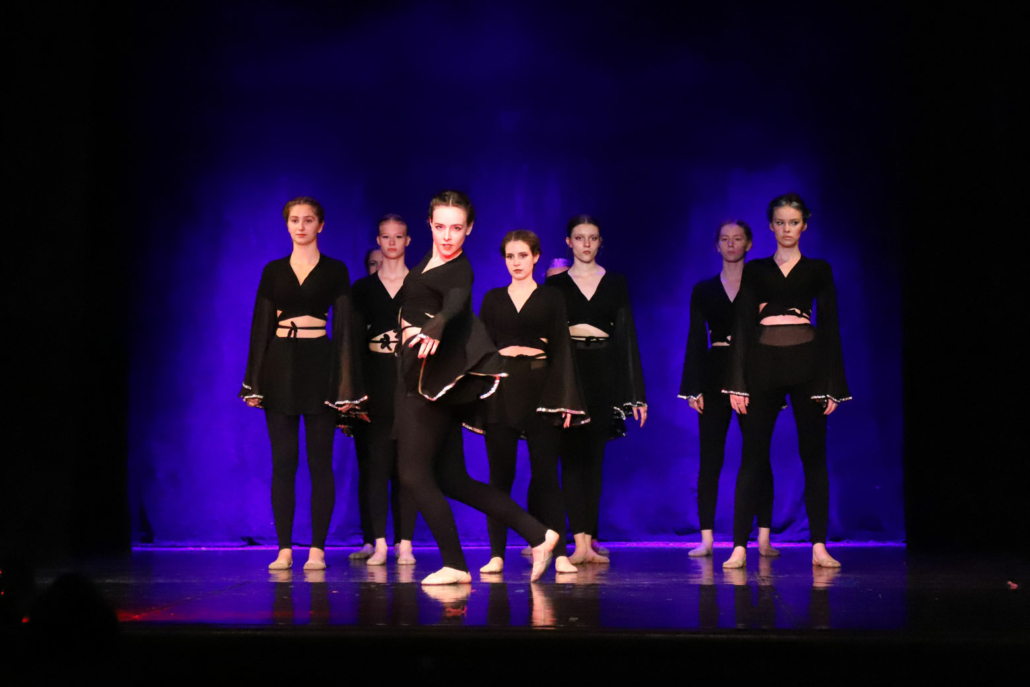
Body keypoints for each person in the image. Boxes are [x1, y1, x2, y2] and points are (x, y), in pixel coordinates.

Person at [394, 190, 559, 585]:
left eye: (456, 228)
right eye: (440, 226)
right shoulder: (427, 261)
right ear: (429, 223)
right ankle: (539, 534)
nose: (447, 236)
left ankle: (454, 563)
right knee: (453, 479)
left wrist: (436, 325)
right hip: (426, 378)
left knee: (413, 474)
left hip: (433, 385)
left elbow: (456, 300)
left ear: (469, 229)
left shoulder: (459, 270)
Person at [723, 193, 850, 569]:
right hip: (763, 366)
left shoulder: (818, 269)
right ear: (770, 226)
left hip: (808, 366)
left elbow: (830, 326)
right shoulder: (757, 269)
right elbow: (743, 325)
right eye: (780, 223)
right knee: (752, 455)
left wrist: (833, 384)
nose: (787, 229)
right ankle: (739, 547)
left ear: (804, 225)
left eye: (793, 222)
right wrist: (737, 381)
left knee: (814, 455)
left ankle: (819, 546)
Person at [240, 196, 365, 571]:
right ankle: (284, 549)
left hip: (319, 365)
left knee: (319, 461)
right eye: (294, 220)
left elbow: (345, 329)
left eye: (308, 220)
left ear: (320, 225)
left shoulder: (335, 270)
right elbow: (261, 326)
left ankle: (317, 549)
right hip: (280, 365)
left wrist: (345, 386)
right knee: (283, 461)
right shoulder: (274, 270)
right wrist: (253, 382)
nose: (300, 226)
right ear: (287, 225)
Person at [474, 230, 587, 576]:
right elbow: (480, 349)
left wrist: (566, 399)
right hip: (502, 389)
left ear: (536, 257)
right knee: (500, 477)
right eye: (510, 256)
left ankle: (561, 554)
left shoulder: (551, 297)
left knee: (546, 475)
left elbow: (562, 350)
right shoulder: (493, 299)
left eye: (523, 255)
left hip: (541, 390)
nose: (516, 262)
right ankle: (496, 554)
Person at [546, 215, 647, 564]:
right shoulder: (557, 285)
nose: (586, 244)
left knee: (595, 460)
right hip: (571, 373)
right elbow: (552, 341)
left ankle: (589, 539)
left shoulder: (615, 282)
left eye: (592, 238)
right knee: (572, 458)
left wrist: (635, 393)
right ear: (568, 242)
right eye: (579, 237)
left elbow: (626, 336)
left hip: (604, 372)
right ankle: (579, 542)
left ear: (600, 242)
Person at [680, 221, 778, 558]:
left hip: (754, 373)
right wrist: (693, 387)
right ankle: (707, 539)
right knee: (710, 457)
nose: (731, 244)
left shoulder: (760, 286)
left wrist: (773, 382)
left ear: (749, 244)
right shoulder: (704, 290)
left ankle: (763, 537)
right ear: (717, 246)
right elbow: (696, 338)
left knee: (758, 454)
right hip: (714, 372)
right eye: (725, 239)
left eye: (737, 239)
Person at [350, 215, 418, 566]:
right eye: (386, 237)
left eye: (398, 237)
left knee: (408, 470)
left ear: (408, 241)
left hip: (410, 386)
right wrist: (353, 395)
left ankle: (405, 544)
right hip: (374, 387)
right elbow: (352, 345)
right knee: (375, 468)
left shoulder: (420, 285)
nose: (392, 243)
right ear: (378, 240)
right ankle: (378, 543)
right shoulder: (362, 290)